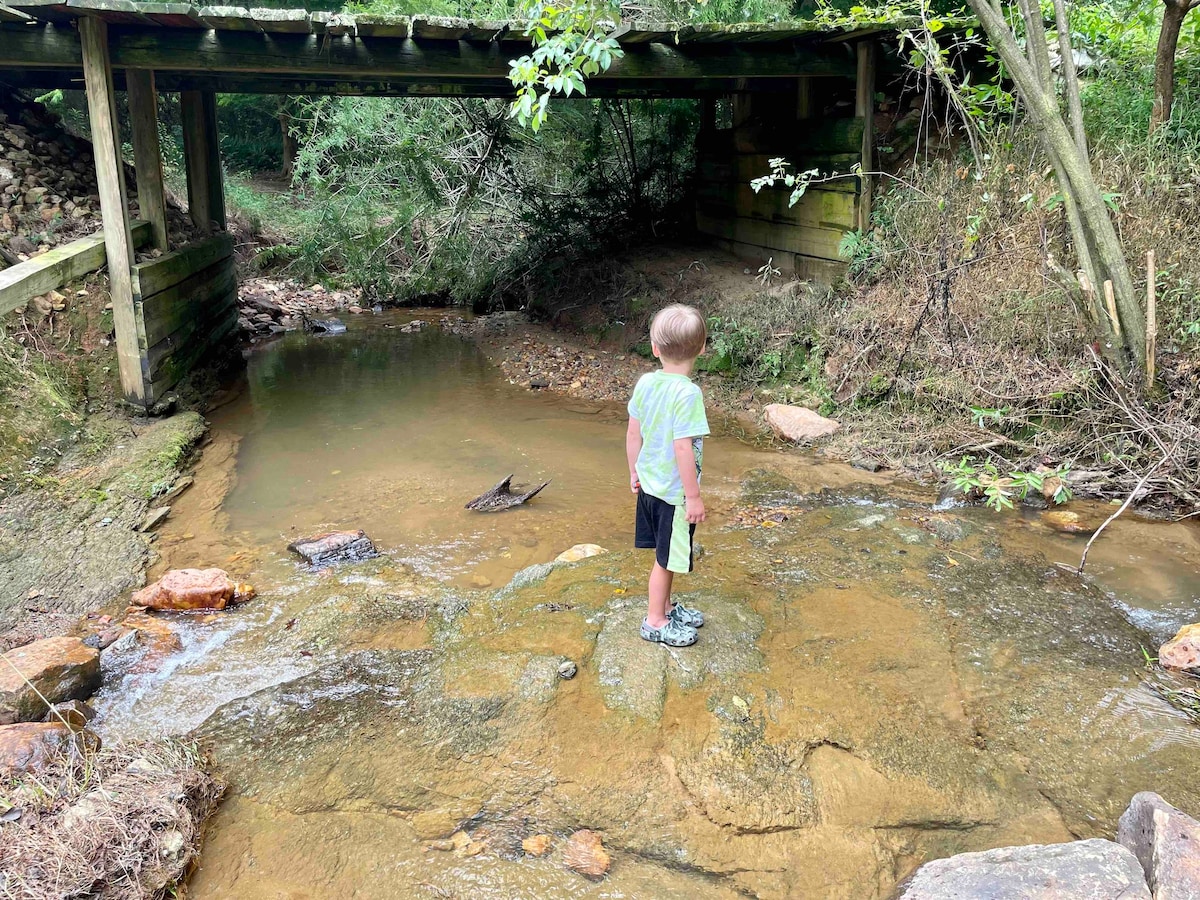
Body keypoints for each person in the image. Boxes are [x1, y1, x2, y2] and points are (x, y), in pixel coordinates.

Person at [626, 304, 710, 647]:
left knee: (668, 554)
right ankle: (655, 621)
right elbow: (682, 448)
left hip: (648, 485)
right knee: (665, 560)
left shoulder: (646, 383)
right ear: (702, 348)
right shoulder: (688, 393)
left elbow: (634, 433)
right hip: (673, 495)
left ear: (655, 348)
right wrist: (693, 496)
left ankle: (667, 606)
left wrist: (634, 472)